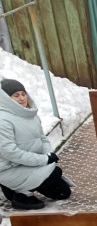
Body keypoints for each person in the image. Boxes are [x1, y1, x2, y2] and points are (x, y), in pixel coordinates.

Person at [0, 80, 72, 210]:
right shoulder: (3, 120)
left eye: (23, 94)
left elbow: (42, 138)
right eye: (16, 95)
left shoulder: (30, 114)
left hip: (31, 164)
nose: (22, 98)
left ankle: (24, 187)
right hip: (9, 169)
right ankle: (18, 193)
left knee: (63, 192)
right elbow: (10, 153)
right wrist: (44, 160)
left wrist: (48, 154)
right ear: (5, 98)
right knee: (55, 172)